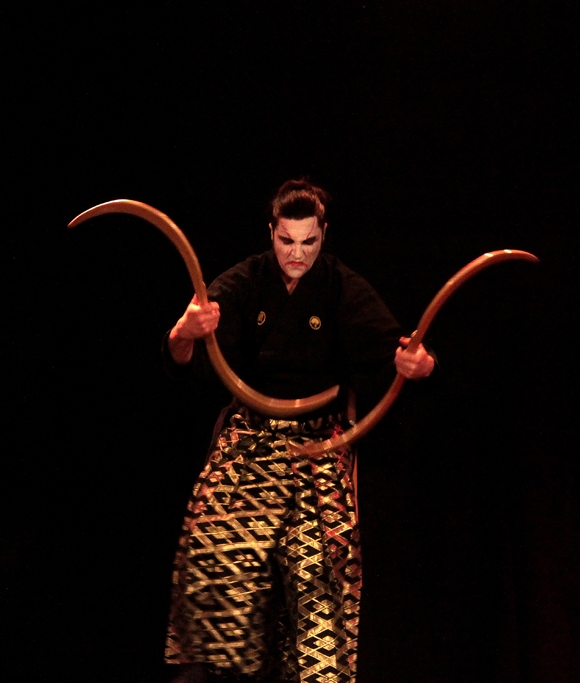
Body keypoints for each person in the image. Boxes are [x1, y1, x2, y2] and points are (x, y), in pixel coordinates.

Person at [164, 179, 435, 683]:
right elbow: (189, 349)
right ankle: (205, 670)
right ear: (272, 232)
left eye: (308, 242)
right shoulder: (248, 279)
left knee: (323, 567)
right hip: (252, 436)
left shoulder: (340, 285)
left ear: (323, 235)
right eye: (287, 241)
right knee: (211, 545)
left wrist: (418, 364)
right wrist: (185, 332)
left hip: (319, 442)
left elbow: (397, 350)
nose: (297, 253)